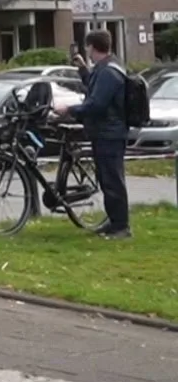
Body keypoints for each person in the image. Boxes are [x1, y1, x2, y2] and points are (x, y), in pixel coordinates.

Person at [67, 30, 131, 239]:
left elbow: (97, 103)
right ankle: (114, 222)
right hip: (105, 132)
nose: (86, 50)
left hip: (110, 134)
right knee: (106, 180)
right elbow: (96, 90)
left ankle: (121, 227)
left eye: (87, 47)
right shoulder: (107, 68)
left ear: (92, 47)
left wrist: (70, 110)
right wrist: (83, 70)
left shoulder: (109, 72)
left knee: (112, 181)